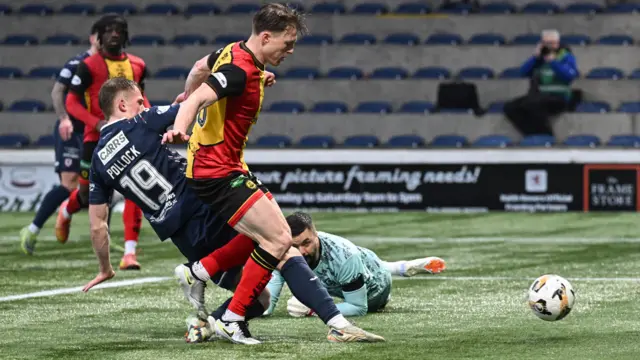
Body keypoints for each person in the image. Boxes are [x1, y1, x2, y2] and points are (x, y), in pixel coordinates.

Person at [85, 78, 384, 345]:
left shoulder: (98, 162)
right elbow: (199, 104)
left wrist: (105, 268)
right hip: (205, 207)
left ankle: (210, 319)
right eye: (139, 101)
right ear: (121, 104)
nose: (144, 105)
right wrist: (249, 86)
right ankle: (337, 323)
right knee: (281, 243)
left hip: (184, 237)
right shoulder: (142, 122)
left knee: (261, 297)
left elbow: (98, 225)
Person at [161, 3, 324, 344]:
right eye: (287, 43)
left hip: (222, 166)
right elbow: (198, 101)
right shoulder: (237, 69)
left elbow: (196, 68)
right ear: (266, 37)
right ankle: (231, 316)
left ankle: (199, 273)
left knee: (270, 230)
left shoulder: (232, 53)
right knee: (279, 237)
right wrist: (180, 124)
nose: (291, 51)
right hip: (217, 170)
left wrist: (191, 92)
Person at [57, 14, 147, 270]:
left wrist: (149, 121)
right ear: (99, 36)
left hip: (128, 137)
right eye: (108, 30)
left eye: (119, 30)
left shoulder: (138, 65)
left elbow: (142, 99)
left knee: (135, 190)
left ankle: (130, 253)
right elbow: (71, 103)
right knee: (87, 195)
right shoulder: (88, 65)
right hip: (95, 139)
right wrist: (97, 124)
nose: (114, 34)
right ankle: (67, 209)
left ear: (125, 35)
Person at [264, 212, 446, 317]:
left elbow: (359, 307)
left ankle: (394, 270)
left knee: (356, 274)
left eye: (306, 243)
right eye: (295, 245)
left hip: (376, 289)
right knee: (335, 276)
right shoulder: (285, 250)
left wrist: (314, 310)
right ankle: (401, 267)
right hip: (361, 261)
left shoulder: (344, 256)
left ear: (316, 234)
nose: (301, 251)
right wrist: (258, 310)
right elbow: (269, 301)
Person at [20, 23, 101, 255]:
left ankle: (101, 235)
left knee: (100, 183)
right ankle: (33, 229)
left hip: (92, 129)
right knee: (70, 184)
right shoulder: (77, 63)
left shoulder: (108, 67)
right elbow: (57, 92)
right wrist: (64, 118)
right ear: (92, 38)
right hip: (71, 129)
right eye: (100, 36)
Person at [503, 29, 579, 137]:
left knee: (533, 104)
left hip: (559, 97)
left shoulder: (565, 56)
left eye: (551, 43)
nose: (548, 46)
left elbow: (569, 76)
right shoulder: (539, 59)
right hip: (539, 95)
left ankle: (547, 135)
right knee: (510, 107)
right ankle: (533, 134)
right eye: (545, 43)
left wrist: (553, 62)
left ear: (557, 43)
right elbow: (523, 72)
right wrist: (535, 58)